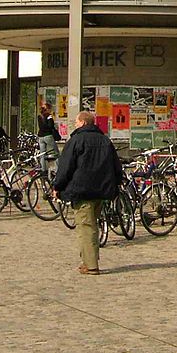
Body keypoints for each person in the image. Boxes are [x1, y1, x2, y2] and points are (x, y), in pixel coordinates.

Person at [52, 111, 123, 275]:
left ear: (83, 122)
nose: (75, 125)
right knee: (92, 225)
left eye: (76, 122)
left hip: (82, 190)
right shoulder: (105, 140)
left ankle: (91, 265)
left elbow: (65, 167)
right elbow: (115, 165)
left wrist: (57, 186)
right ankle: (87, 260)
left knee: (86, 227)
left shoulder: (76, 141)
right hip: (101, 190)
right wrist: (116, 184)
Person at [36, 103, 59, 173]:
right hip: (48, 136)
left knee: (42, 154)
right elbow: (51, 126)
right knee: (56, 153)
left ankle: (43, 170)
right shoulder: (49, 116)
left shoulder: (39, 116)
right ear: (48, 109)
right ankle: (57, 170)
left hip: (41, 137)